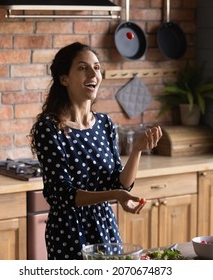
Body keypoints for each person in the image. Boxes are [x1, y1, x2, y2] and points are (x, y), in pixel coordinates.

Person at [28, 42, 162, 260]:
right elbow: (63, 194)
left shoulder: (105, 124)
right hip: (68, 232)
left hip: (105, 226)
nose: (93, 73)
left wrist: (137, 149)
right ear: (64, 79)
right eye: (82, 68)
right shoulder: (49, 128)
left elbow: (120, 184)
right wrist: (115, 195)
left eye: (97, 68)